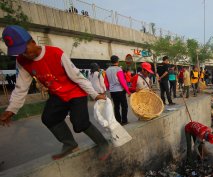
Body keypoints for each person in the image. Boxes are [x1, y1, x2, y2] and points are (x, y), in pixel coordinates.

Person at [0, 25, 111, 161]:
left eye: (25, 50)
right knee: (48, 118)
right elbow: (20, 88)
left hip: (75, 91)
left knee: (79, 124)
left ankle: (103, 144)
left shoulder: (56, 53)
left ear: (32, 42)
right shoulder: (22, 61)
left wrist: (94, 94)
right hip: (58, 94)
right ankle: (69, 143)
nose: (24, 54)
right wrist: (11, 109)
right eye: (20, 52)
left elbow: (77, 77)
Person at [104, 55, 131, 125]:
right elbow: (122, 81)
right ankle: (124, 121)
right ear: (117, 61)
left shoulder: (107, 70)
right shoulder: (118, 69)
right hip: (120, 90)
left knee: (116, 106)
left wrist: (109, 89)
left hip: (112, 91)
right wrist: (128, 91)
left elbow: (106, 82)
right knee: (124, 106)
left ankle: (118, 121)